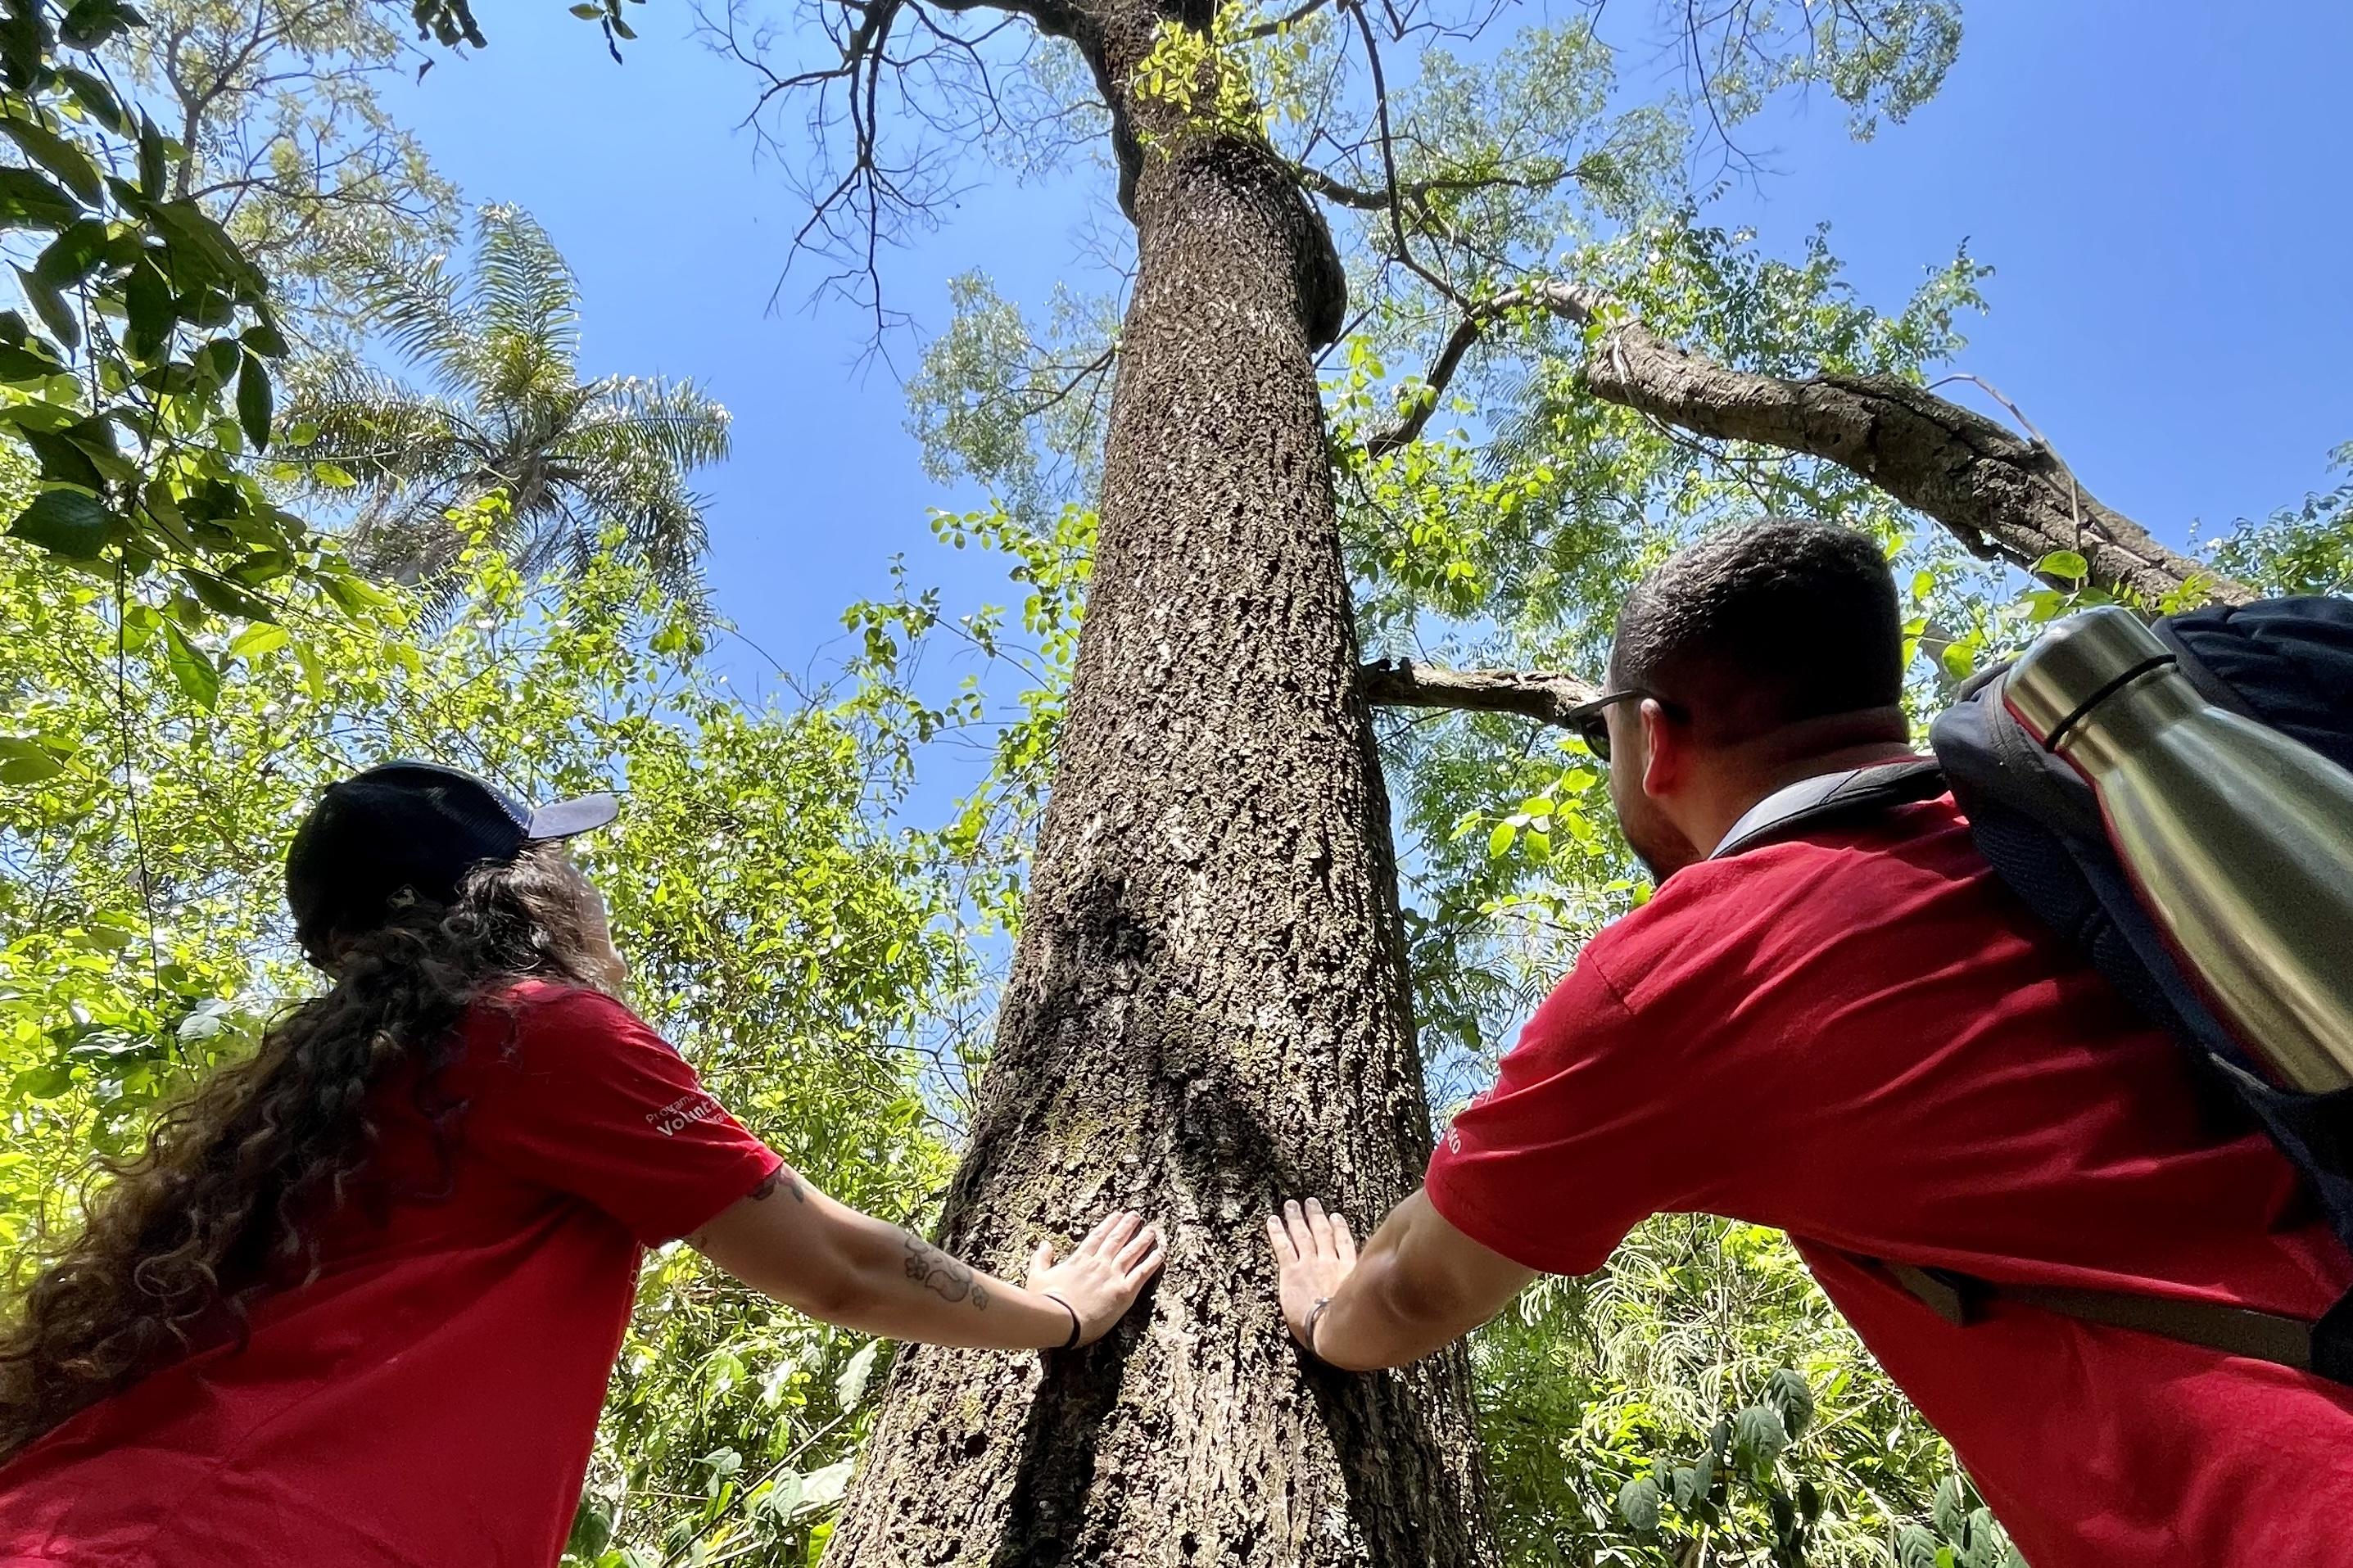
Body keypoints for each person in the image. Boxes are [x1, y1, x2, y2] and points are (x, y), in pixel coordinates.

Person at [1269, 519, 2353, 1566]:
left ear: (1653, 737)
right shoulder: (2082, 826)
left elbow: (1415, 1293)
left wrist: (1324, 1317)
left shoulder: (1685, 973)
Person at [0, 762, 1161, 1567]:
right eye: (566, 865)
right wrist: (1056, 1316)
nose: (591, 891)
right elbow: (833, 1265)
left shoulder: (330, 1099)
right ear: (525, 888)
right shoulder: (532, 1034)